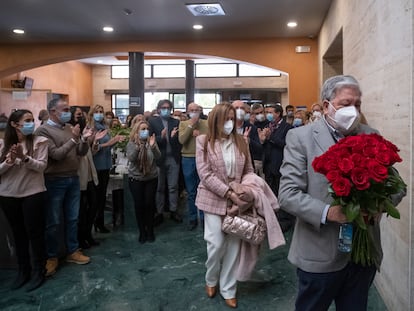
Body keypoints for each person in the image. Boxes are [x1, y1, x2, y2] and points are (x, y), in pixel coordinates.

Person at [278, 75, 406, 310]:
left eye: (357, 104)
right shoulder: (300, 138)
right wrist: (329, 212)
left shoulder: (371, 135)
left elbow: (398, 185)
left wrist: (379, 205)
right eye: (346, 104)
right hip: (319, 257)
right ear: (327, 106)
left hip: (362, 256)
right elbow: (287, 194)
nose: (353, 110)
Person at [195, 102, 254, 308]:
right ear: (216, 120)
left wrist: (244, 191)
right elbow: (205, 174)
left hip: (239, 200)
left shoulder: (241, 141)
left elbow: (249, 170)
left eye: (232, 118)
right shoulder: (204, 141)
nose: (231, 122)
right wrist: (228, 193)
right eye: (226, 118)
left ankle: (228, 288)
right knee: (216, 244)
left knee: (234, 246)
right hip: (212, 199)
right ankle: (211, 278)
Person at [35, 98, 91, 277]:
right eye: (65, 109)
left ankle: (72, 251)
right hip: (54, 180)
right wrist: (74, 139)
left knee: (72, 218)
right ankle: (52, 257)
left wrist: (85, 140)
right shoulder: (43, 130)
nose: (68, 112)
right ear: (53, 111)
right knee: (53, 221)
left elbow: (80, 153)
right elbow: (56, 155)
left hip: (72, 178)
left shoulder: (68, 128)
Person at [0, 109, 48, 291]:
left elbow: (41, 167)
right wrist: (9, 161)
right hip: (8, 195)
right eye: (26, 121)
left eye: (32, 120)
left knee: (35, 234)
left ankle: (39, 271)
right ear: (14, 124)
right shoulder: (3, 144)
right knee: (17, 234)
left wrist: (24, 158)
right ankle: (23, 271)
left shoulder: (39, 141)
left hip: (33, 193)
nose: (31, 123)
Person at [70, 106, 107, 249]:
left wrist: (95, 142)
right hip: (79, 176)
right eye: (79, 115)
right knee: (81, 211)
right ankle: (81, 238)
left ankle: (88, 235)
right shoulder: (70, 133)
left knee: (93, 207)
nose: (82, 117)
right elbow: (76, 153)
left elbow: (89, 152)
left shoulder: (83, 132)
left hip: (91, 174)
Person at [87, 105, 125, 233]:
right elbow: (92, 147)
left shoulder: (104, 127)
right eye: (96, 112)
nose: (99, 114)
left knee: (102, 195)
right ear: (92, 114)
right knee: (96, 197)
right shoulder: (90, 128)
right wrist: (109, 143)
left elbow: (107, 146)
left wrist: (115, 140)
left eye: (101, 112)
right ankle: (95, 222)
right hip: (96, 165)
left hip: (106, 164)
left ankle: (100, 221)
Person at [259, 103, 295, 232]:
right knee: (272, 193)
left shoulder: (287, 128)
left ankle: (286, 220)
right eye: (266, 111)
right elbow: (263, 145)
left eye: (270, 111)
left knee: (283, 193)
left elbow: (287, 145)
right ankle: (275, 218)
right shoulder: (266, 126)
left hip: (280, 165)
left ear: (278, 113)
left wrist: (271, 137)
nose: (267, 114)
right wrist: (262, 140)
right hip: (268, 166)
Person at [149, 99, 183, 224]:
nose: (166, 109)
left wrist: (174, 137)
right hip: (158, 158)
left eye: (168, 107)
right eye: (163, 107)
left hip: (173, 158)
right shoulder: (153, 121)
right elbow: (149, 139)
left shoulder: (176, 122)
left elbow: (180, 141)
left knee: (173, 186)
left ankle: (173, 210)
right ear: (158, 109)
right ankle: (159, 212)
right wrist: (161, 137)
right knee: (159, 187)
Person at [126, 121, 160, 243]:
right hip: (136, 178)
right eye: (142, 129)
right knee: (139, 205)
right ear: (136, 131)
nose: (145, 131)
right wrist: (137, 147)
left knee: (149, 204)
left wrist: (153, 146)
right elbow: (131, 158)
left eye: (147, 128)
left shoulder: (151, 141)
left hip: (151, 178)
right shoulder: (131, 143)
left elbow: (158, 156)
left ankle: (150, 230)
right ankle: (142, 231)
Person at [178, 102, 208, 230]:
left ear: (200, 111)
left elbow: (211, 140)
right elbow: (182, 140)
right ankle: (192, 218)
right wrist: (190, 126)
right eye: (192, 110)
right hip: (188, 158)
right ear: (187, 111)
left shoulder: (206, 124)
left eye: (197, 110)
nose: (194, 112)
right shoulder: (183, 124)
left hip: (203, 158)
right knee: (191, 191)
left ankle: (203, 217)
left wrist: (200, 136)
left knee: (204, 189)